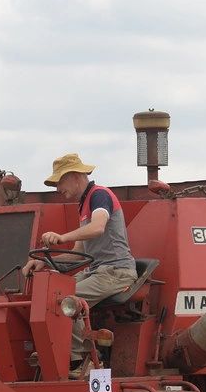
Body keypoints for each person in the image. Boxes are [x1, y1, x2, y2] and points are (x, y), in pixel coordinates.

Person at [21, 154, 137, 379]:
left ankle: (81, 361)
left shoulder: (100, 196)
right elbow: (78, 252)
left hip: (116, 271)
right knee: (53, 296)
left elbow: (98, 228)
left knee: (68, 301)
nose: (57, 189)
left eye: (59, 183)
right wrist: (44, 261)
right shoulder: (84, 204)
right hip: (97, 270)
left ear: (74, 176)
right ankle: (54, 351)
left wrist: (60, 237)